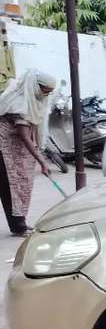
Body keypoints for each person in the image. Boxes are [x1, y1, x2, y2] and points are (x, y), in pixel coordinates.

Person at [0, 69, 57, 235]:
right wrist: (43, 162)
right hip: (4, 150)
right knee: (12, 187)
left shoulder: (33, 99)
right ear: (35, 86)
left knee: (19, 185)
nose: (47, 95)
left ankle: (19, 223)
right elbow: (25, 136)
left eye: (50, 92)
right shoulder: (19, 103)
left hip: (15, 150)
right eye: (45, 91)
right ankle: (18, 226)